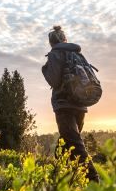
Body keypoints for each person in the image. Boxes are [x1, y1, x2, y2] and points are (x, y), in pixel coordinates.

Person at [42, 25, 98, 181]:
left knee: (75, 143)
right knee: (68, 140)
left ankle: (93, 180)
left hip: (63, 104)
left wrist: (44, 69)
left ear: (51, 43)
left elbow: (54, 80)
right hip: (81, 103)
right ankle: (60, 174)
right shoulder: (77, 54)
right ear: (65, 39)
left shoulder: (55, 54)